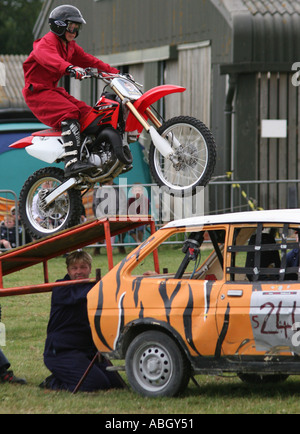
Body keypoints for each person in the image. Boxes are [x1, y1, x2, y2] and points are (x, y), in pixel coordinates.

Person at [22, 4, 119, 177]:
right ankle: (72, 163)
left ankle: (90, 155)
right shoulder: (45, 43)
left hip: (52, 90)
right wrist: (70, 68)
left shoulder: (70, 46)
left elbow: (90, 61)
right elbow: (48, 57)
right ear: (58, 26)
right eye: (71, 26)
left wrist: (116, 74)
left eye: (77, 27)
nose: (74, 31)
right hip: (37, 92)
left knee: (91, 114)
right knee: (70, 112)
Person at [41, 250, 124, 392]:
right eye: (74, 268)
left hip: (86, 350)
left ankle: (71, 373)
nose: (79, 271)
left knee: (117, 385)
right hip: (61, 351)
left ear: (90, 269)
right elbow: (82, 294)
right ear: (68, 270)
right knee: (96, 384)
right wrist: (107, 283)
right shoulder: (61, 287)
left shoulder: (94, 287)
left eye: (83, 267)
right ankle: (53, 382)